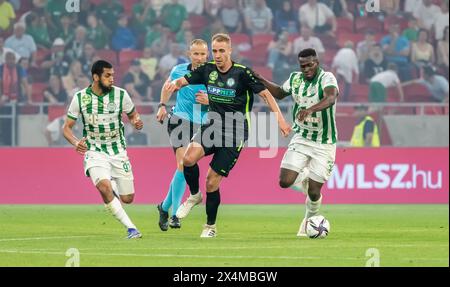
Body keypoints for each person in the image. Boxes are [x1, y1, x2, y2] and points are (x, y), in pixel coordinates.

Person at [166, 33, 291, 237]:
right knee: (188, 159)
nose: (217, 55)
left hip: (235, 132)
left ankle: (210, 227)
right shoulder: (207, 70)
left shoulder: (243, 73)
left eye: (221, 51)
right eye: (214, 51)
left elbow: (266, 95)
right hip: (211, 126)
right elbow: (184, 80)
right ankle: (195, 196)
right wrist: (174, 84)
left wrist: (281, 121)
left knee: (212, 181)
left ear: (230, 51)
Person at [255, 48, 340, 237]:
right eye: (303, 66)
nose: (307, 69)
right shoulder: (295, 79)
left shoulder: (327, 78)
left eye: (310, 65)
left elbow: (331, 98)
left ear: (317, 62)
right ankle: (306, 182)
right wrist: (261, 79)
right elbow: (279, 93)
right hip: (302, 137)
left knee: (314, 192)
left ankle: (308, 219)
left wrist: (310, 109)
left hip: (324, 143)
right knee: (284, 181)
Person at [62, 60, 144, 239]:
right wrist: (76, 143)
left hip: (118, 151)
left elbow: (133, 115)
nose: (112, 79)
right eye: (108, 75)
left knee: (128, 198)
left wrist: (136, 122)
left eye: (113, 75)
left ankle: (113, 184)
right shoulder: (80, 98)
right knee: (104, 188)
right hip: (94, 151)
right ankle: (131, 229)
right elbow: (66, 127)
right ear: (96, 77)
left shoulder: (121, 95)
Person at [155, 39, 209, 231]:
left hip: (203, 124)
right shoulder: (179, 70)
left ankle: (164, 207)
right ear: (189, 54)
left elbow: (225, 98)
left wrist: (209, 101)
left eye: (203, 54)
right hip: (180, 120)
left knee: (186, 166)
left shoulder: (214, 74)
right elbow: (167, 86)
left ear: (207, 55)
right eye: (196, 54)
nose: (200, 57)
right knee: (182, 163)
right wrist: (162, 105)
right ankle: (176, 214)